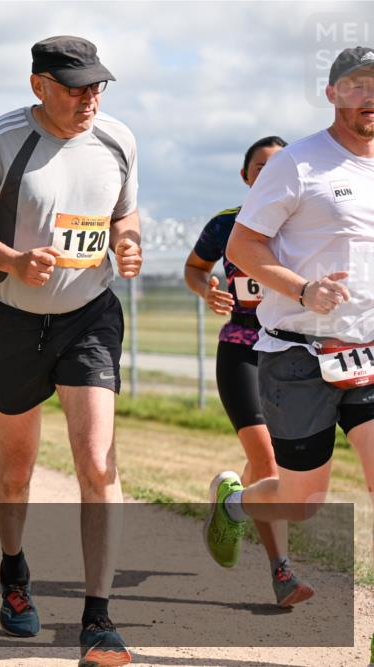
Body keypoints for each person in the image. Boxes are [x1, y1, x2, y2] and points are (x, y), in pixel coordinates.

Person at [0, 36, 141, 666]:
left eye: (97, 86)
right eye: (75, 88)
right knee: (17, 467)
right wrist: (13, 260)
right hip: (13, 323)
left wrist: (128, 243)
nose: (89, 99)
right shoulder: (2, 141)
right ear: (39, 86)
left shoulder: (118, 140)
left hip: (90, 317)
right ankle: (14, 572)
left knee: (97, 464)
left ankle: (98, 619)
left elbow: (124, 215)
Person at [204, 48, 374, 579]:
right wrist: (303, 290)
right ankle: (234, 503)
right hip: (299, 356)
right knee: (301, 503)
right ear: (331, 93)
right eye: (357, 84)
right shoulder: (298, 163)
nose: (369, 96)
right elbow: (242, 245)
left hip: (368, 352)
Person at [185, 136, 315, 607]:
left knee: (270, 462)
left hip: (291, 353)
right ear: (246, 176)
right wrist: (206, 290)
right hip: (241, 349)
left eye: (280, 165)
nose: (269, 173)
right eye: (260, 166)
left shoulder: (307, 226)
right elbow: (195, 267)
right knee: (268, 459)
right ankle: (282, 571)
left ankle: (231, 503)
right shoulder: (226, 224)